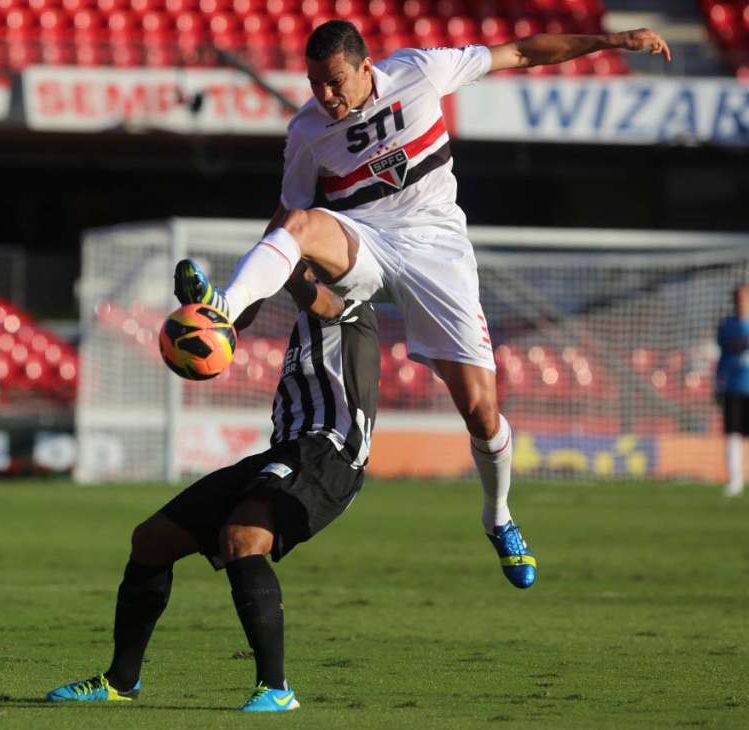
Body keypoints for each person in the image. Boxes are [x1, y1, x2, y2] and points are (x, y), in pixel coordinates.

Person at [176, 21, 670, 589]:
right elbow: (285, 223)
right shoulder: (308, 130)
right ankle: (221, 308)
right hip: (363, 241)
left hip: (436, 247)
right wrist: (237, 314)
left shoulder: (419, 72)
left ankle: (499, 515)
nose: (325, 96)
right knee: (301, 223)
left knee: (482, 413)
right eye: (315, 83)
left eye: (335, 82)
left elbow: (521, 51)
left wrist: (610, 41)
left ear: (366, 68)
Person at [46, 264, 379, 712]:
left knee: (243, 539)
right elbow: (235, 318)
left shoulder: (355, 308)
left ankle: (276, 689)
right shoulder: (308, 320)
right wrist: (208, 302)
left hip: (330, 453)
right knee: (151, 540)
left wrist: (286, 259)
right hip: (286, 450)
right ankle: (121, 680)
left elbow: (309, 291)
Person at [715, 284, 749, 498]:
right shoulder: (727, 326)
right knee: (733, 434)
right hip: (734, 388)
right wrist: (718, 384)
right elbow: (722, 356)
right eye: (738, 298)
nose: (741, 302)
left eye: (745, 298)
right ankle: (735, 480)